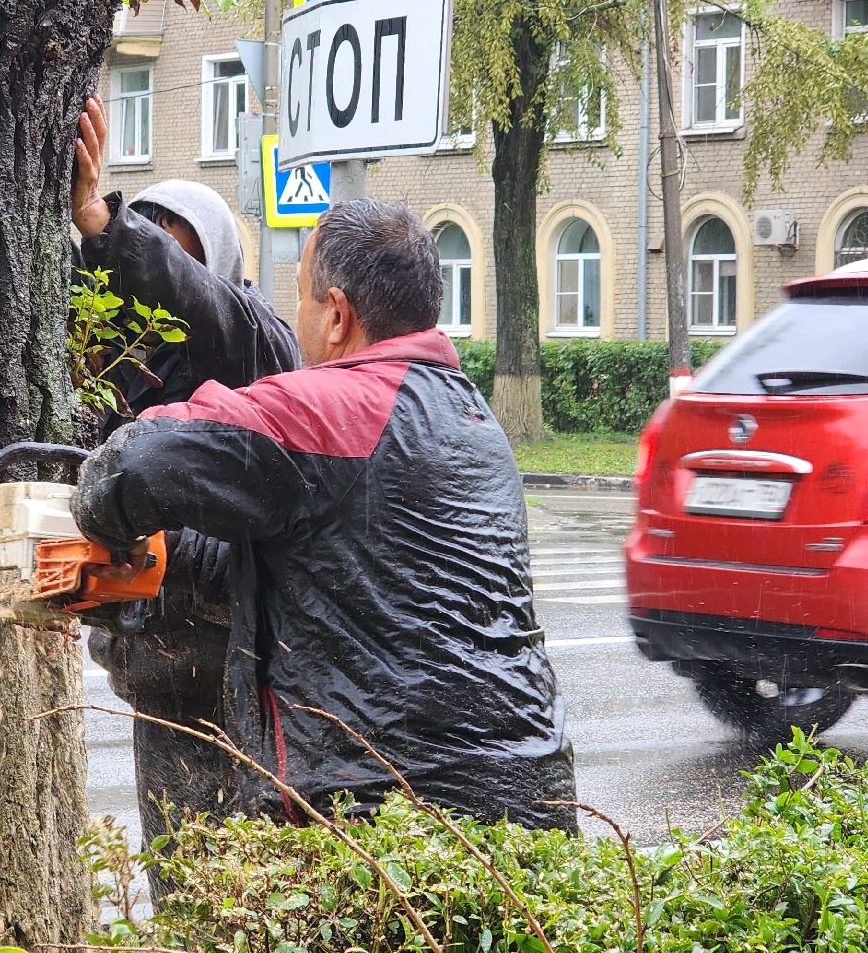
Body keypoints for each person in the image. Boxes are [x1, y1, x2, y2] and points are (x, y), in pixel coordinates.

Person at [71, 198, 577, 830]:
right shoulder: (472, 416)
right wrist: (171, 554)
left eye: (306, 298)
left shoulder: (333, 408)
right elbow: (342, 561)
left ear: (338, 314)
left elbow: (134, 466)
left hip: (388, 810)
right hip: (529, 792)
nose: (299, 322)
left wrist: (86, 509)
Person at [68, 95, 301, 860]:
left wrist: (113, 228)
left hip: (232, 664)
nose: (151, 292)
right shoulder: (113, 367)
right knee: (179, 885)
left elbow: (206, 306)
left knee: (244, 883)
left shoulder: (253, 338)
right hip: (150, 665)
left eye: (174, 257)